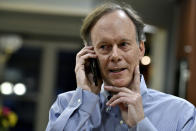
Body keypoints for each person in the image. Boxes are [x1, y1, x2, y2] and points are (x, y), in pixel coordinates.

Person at [46, 2, 196, 131]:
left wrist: (141, 124)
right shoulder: (64, 106)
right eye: (104, 46)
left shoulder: (182, 113)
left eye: (124, 44)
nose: (115, 56)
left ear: (141, 49)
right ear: (89, 54)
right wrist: (85, 100)